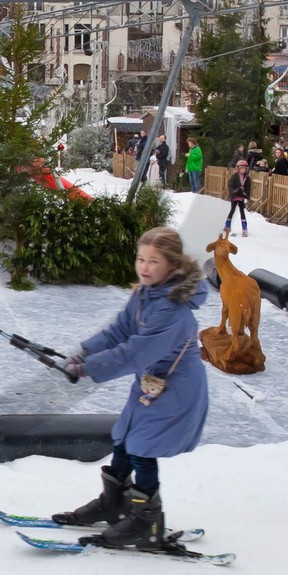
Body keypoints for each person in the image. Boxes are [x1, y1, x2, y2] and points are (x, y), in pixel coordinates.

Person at [52, 227, 209, 550]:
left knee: (142, 447)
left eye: (154, 261)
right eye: (141, 259)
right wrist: (84, 352)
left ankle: (146, 522)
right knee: (124, 437)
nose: (144, 267)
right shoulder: (144, 295)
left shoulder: (173, 309)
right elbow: (119, 332)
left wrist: (89, 368)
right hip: (150, 384)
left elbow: (137, 352)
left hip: (176, 387)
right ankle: (113, 504)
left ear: (173, 265)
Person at [225, 159, 251, 237]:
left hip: (241, 197)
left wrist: (246, 196)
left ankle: (244, 228)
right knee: (232, 210)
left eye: (244, 169)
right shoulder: (235, 176)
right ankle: (227, 225)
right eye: (241, 168)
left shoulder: (247, 178)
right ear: (238, 168)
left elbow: (248, 188)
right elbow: (230, 185)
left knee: (242, 212)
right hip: (235, 196)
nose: (243, 170)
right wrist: (233, 192)